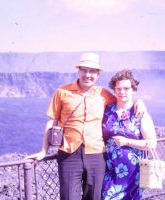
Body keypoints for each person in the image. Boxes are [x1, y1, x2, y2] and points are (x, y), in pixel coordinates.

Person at [26, 53, 146, 200]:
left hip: (96, 154)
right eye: (84, 70)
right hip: (69, 154)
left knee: (94, 197)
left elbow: (123, 99)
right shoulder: (62, 92)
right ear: (79, 71)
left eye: (92, 71)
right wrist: (43, 151)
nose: (88, 75)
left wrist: (139, 102)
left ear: (98, 74)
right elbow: (51, 122)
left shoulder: (103, 94)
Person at [101, 70, 157, 200]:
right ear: (114, 91)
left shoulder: (139, 113)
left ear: (133, 90)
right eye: (118, 89)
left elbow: (152, 144)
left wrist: (127, 142)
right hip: (110, 171)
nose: (122, 92)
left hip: (133, 175)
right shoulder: (107, 111)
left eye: (126, 88)